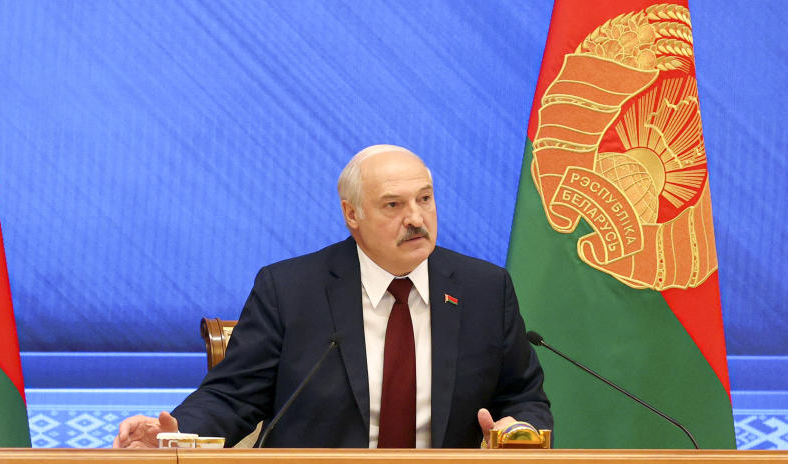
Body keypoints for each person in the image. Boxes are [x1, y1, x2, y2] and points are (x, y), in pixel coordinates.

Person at [114, 145, 551, 448]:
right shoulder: (290, 290)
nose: (416, 218)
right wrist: (174, 433)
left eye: (425, 199)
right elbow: (235, 395)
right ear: (352, 214)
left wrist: (522, 430)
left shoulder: (483, 289)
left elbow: (522, 394)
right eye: (393, 206)